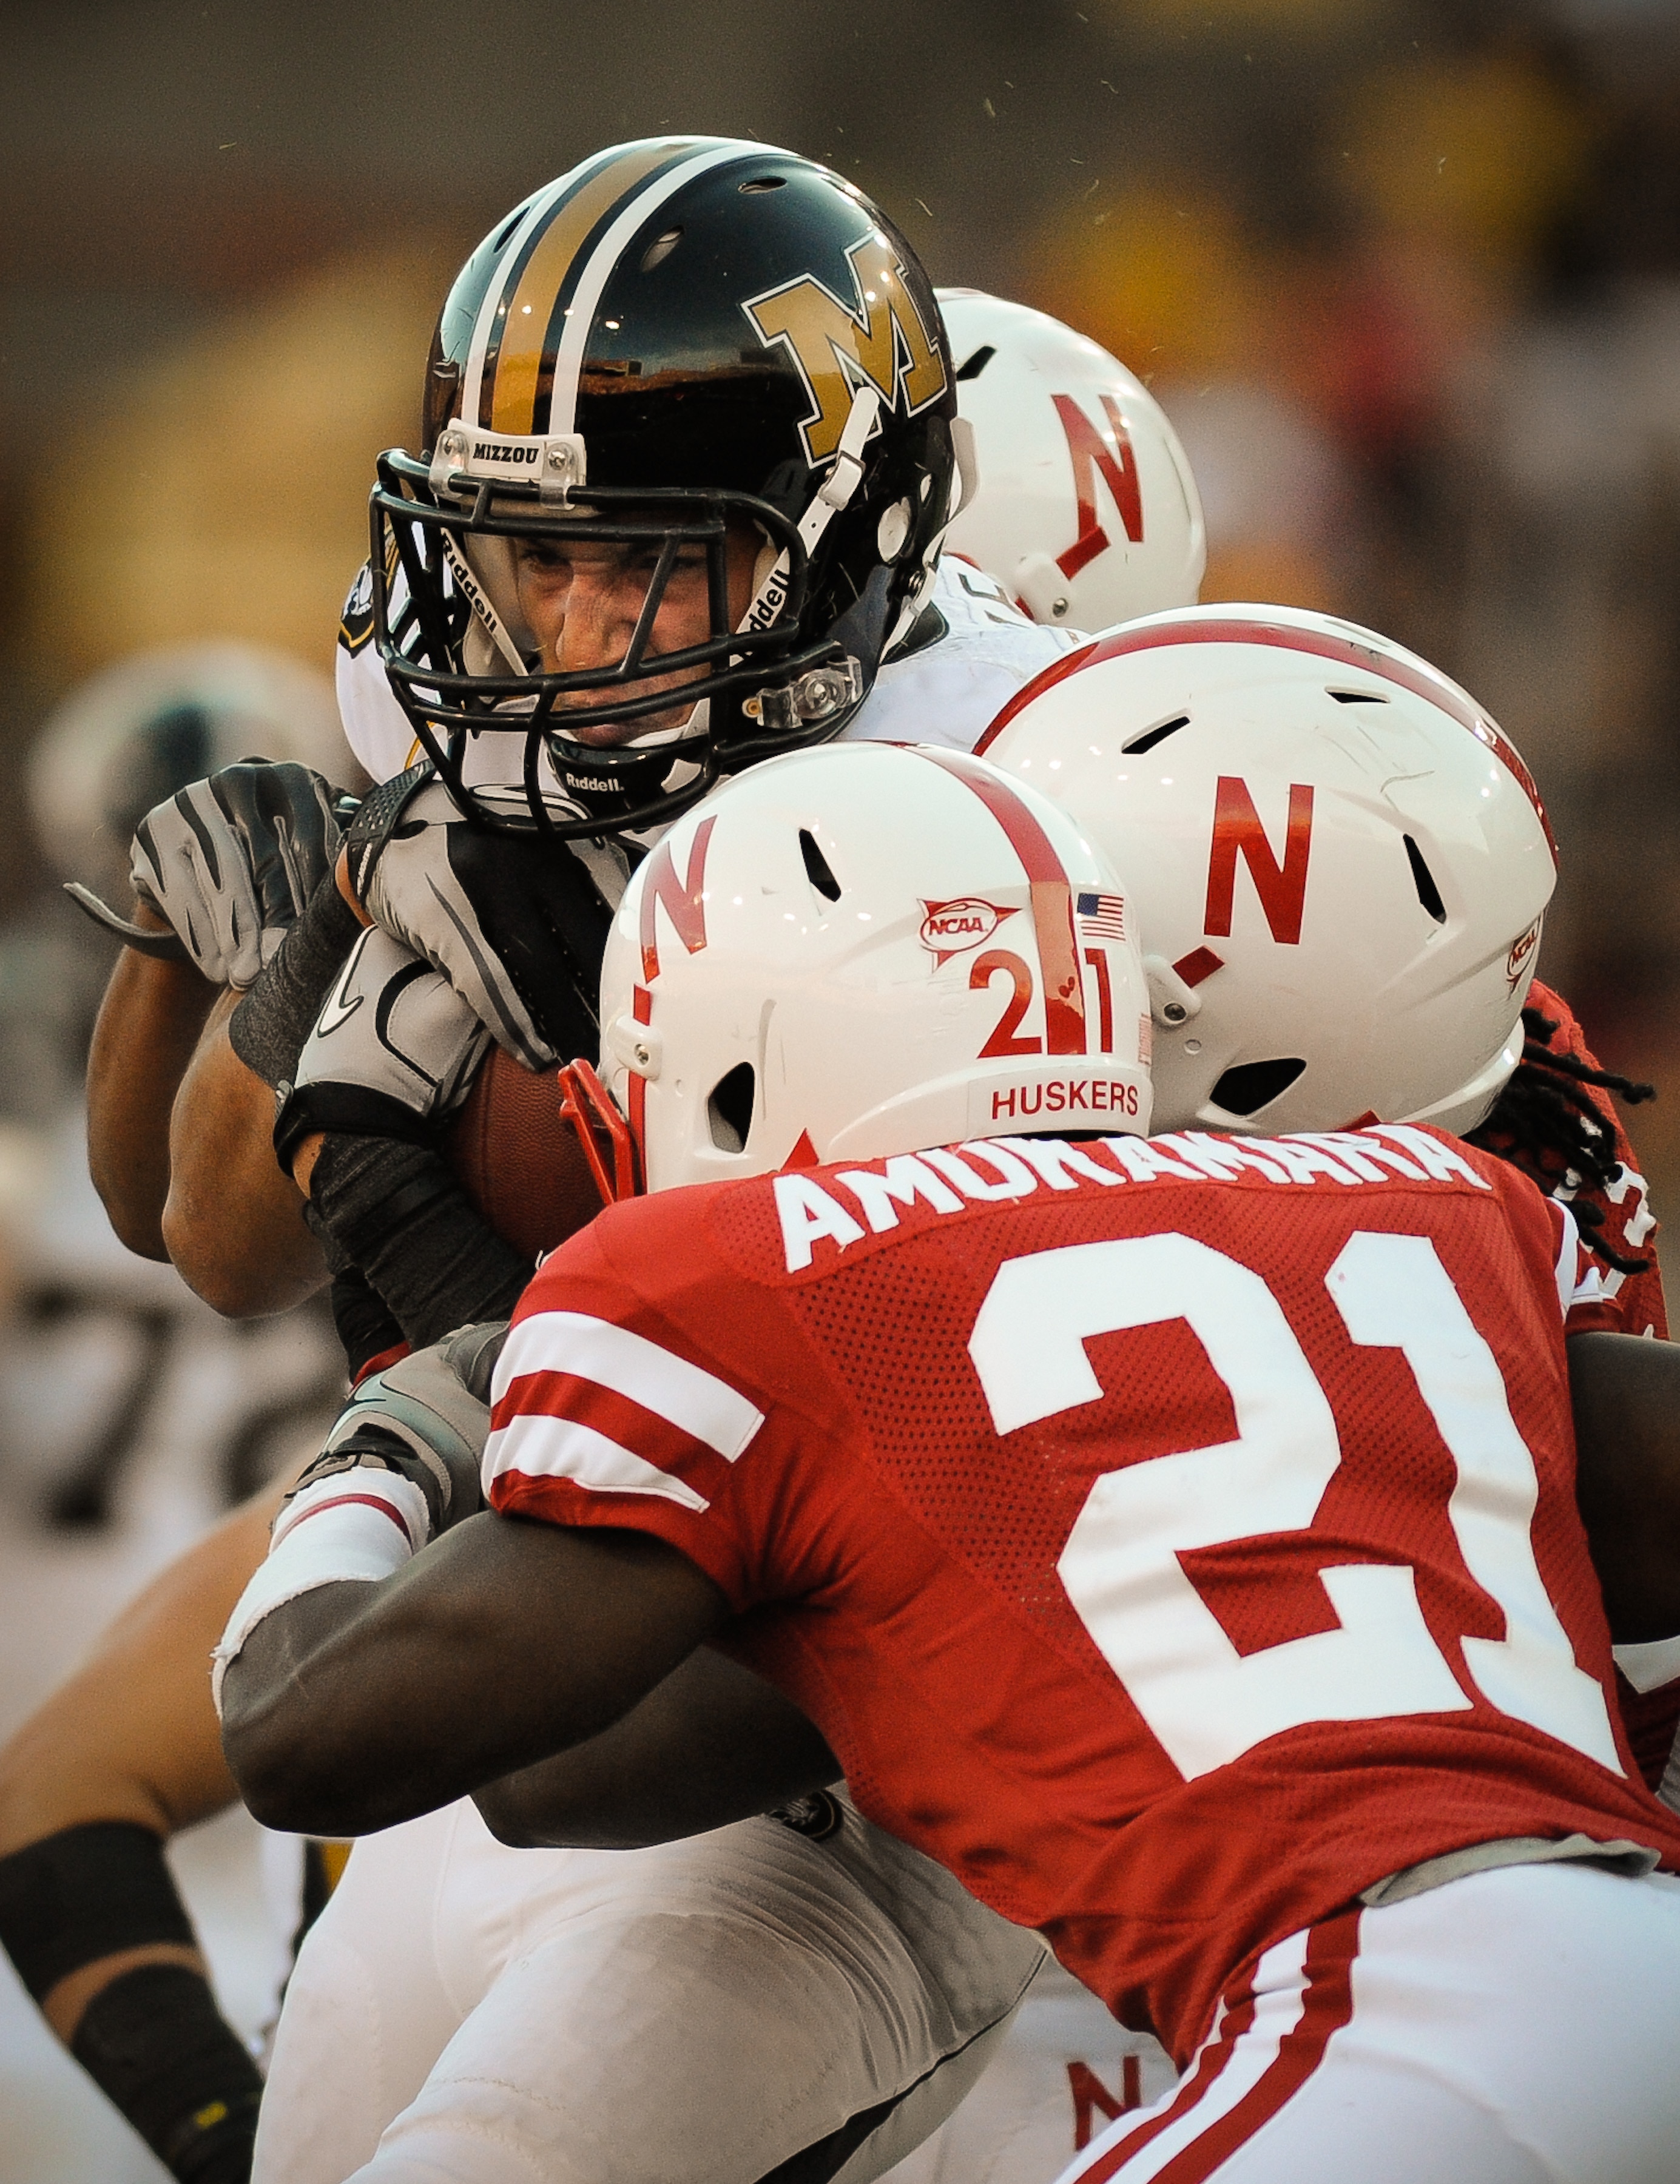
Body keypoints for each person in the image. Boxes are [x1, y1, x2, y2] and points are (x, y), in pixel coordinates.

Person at [7, 146, 1205, 2184]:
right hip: (571, 1590)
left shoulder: (1072, 781)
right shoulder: (489, 737)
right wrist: (280, 969)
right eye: (526, 559)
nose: (565, 631)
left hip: (975, 1701)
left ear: (855, 542)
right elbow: (217, 1240)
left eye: (646, 556)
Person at [218, 736, 1680, 2184]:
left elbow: (318, 1738)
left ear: (717, 1079)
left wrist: (384, 1452)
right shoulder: (1422, 1196)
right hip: (1626, 1945)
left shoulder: (757, 1279)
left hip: (1386, 2008)